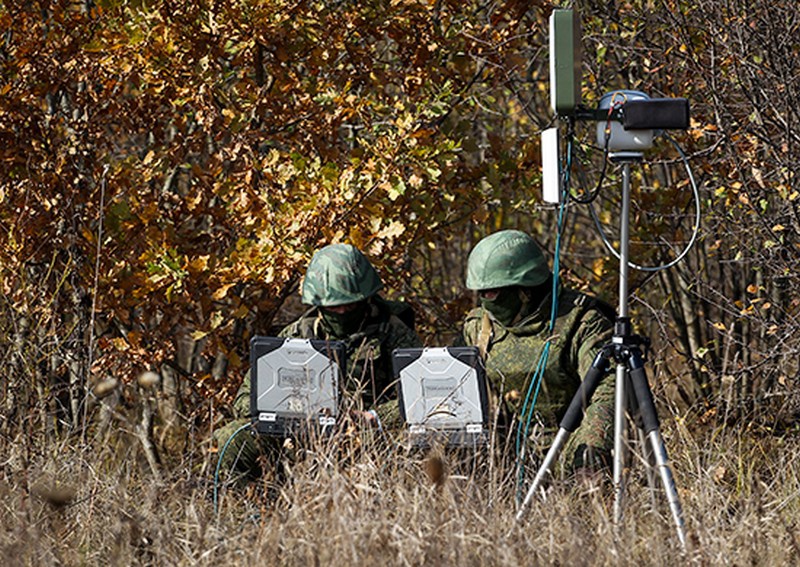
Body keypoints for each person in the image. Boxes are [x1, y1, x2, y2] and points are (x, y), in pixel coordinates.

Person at [213, 243, 422, 482]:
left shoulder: (394, 333)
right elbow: (245, 398)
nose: (343, 312)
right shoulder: (296, 335)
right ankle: (248, 514)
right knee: (233, 437)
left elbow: (419, 398)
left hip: (369, 436)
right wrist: (286, 412)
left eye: (351, 305)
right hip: (300, 437)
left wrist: (372, 417)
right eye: (335, 306)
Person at [459, 229, 615, 473]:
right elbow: (454, 391)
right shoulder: (479, 327)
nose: (486, 301)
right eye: (482, 294)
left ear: (525, 289)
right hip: (506, 457)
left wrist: (591, 450)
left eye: (493, 293)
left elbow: (607, 392)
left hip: (574, 449)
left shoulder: (582, 322)